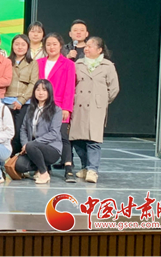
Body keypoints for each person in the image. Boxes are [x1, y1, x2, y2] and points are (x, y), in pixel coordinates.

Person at [69, 37, 120, 183]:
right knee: (77, 140)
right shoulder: (78, 64)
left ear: (99, 50)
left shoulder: (107, 66)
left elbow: (114, 88)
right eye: (86, 46)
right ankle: (85, 167)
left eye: (90, 46)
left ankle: (93, 170)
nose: (86, 48)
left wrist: (101, 101)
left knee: (93, 140)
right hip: (79, 106)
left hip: (95, 108)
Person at [36, 32, 76, 182]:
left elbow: (70, 88)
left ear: (60, 46)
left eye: (54, 44)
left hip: (60, 105)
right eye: (48, 44)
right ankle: (45, 167)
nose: (51, 47)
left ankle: (68, 168)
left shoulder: (68, 64)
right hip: (42, 105)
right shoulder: (39, 63)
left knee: (63, 136)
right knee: (43, 134)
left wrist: (67, 108)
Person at [14, 80, 63, 184]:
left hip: (51, 148)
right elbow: (23, 129)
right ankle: (39, 166)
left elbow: (54, 133)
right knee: (20, 166)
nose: (41, 93)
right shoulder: (30, 109)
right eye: (38, 90)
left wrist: (32, 144)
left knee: (32, 145)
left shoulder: (57, 110)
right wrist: (25, 145)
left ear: (49, 92)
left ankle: (43, 173)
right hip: (32, 148)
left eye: (44, 90)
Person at [5, 34, 38, 154]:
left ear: (28, 47)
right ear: (12, 46)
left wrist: (21, 100)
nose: (20, 47)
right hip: (6, 102)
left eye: (23, 44)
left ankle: (17, 160)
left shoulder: (33, 63)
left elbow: (33, 83)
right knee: (7, 133)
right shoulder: (6, 61)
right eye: (17, 44)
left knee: (19, 133)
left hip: (24, 103)